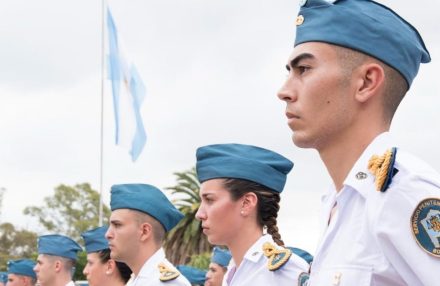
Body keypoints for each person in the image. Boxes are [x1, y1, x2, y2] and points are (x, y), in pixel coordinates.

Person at [277, 0, 440, 285]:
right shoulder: (338, 201)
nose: (284, 91)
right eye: (289, 72)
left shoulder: (403, 195)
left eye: (303, 69)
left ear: (366, 82)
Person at [195, 143, 310, 285]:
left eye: (210, 200)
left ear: (246, 203)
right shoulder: (232, 272)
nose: (199, 214)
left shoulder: (284, 273)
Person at [105, 183, 191, 286]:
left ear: (145, 231)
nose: (108, 234)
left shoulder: (168, 284)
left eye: (117, 225)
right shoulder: (138, 280)